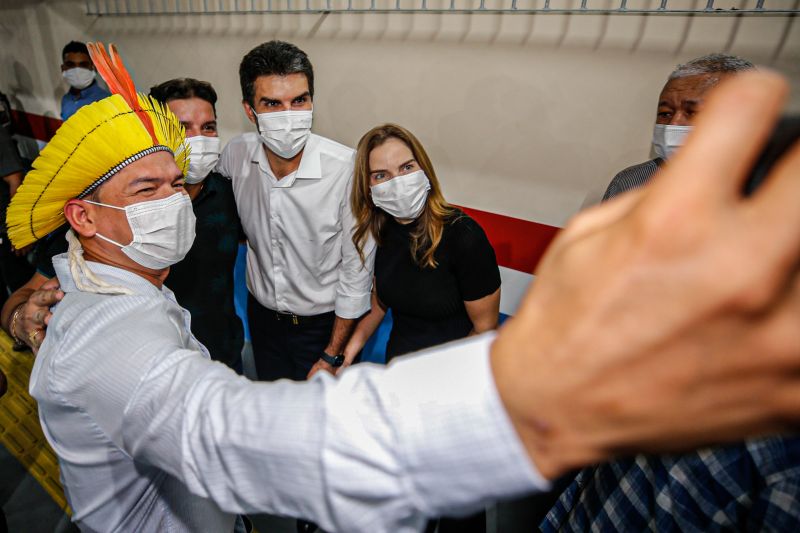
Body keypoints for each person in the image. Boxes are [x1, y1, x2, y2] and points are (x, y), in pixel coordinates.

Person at [7, 44, 800, 533]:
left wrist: (22, 305)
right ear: (84, 215)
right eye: (151, 190)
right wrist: (528, 394)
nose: (180, 200)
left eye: (178, 184)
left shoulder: (95, 282)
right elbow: (229, 436)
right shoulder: (112, 331)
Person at [0, 78, 244, 370]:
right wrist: (20, 320)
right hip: (140, 370)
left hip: (222, 354)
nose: (197, 139)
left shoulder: (228, 193)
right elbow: (22, 298)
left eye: (208, 127)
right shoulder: (102, 213)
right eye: (181, 128)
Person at [333, 124, 501, 532]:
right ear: (369, 188)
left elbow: (485, 328)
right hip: (402, 382)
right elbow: (380, 302)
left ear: (424, 170)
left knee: (457, 508)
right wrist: (343, 354)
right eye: (381, 175)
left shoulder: (464, 236)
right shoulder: (384, 232)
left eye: (406, 167)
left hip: (455, 389)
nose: (397, 182)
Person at [217, 40, 374, 383]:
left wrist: (331, 352)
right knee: (275, 415)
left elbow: (356, 272)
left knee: (327, 425)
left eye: (299, 101)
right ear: (249, 111)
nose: (288, 116)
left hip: (326, 328)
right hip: (262, 321)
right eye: (272, 104)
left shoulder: (346, 169)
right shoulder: (236, 155)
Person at [602, 53, 754, 201]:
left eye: (692, 112)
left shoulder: (769, 190)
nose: (674, 123)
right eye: (666, 113)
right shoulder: (632, 184)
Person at [60, 41, 110, 121]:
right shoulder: (65, 100)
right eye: (70, 65)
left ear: (94, 68)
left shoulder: (107, 100)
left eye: (83, 65)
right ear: (63, 69)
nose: (77, 70)